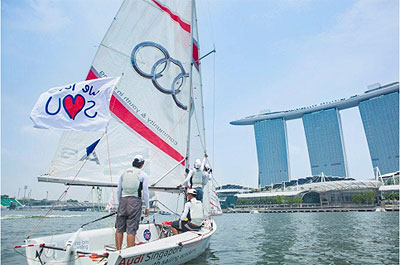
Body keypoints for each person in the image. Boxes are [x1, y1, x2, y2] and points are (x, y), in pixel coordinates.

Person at [115, 155, 150, 250]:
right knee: (131, 229)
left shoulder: (123, 173)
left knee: (119, 228)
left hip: (123, 200)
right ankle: (129, 252)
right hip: (134, 202)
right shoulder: (143, 175)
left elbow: (118, 190)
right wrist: (147, 207)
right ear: (142, 164)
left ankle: (118, 251)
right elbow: (145, 192)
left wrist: (120, 203)